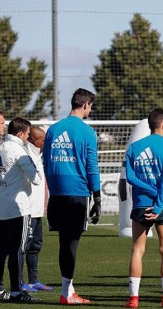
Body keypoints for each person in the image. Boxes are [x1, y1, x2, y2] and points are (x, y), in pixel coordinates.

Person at [43, 88, 101, 305]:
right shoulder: (87, 132)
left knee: (63, 242)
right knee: (71, 244)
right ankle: (66, 294)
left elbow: (46, 163)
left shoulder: (53, 129)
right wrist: (98, 198)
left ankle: (69, 289)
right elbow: (91, 167)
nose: (90, 110)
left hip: (57, 194)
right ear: (85, 104)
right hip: (78, 194)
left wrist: (53, 186)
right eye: (91, 106)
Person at [124, 108, 163, 308]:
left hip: (141, 204)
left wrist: (148, 188)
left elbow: (131, 178)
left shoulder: (134, 147)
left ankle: (133, 299)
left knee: (137, 250)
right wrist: (158, 205)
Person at [0, 117, 43, 302]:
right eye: (27, 134)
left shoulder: (1, 147)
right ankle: (17, 291)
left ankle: (1, 289)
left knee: (1, 250)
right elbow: (36, 178)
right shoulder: (19, 150)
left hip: (1, 207)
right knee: (18, 250)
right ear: (20, 134)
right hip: (18, 209)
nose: (27, 137)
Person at [21, 126, 53, 292]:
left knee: (36, 245)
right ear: (35, 141)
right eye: (43, 140)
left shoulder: (39, 155)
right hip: (28, 211)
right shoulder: (27, 154)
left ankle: (33, 280)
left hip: (38, 210)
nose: (46, 142)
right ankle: (19, 281)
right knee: (23, 246)